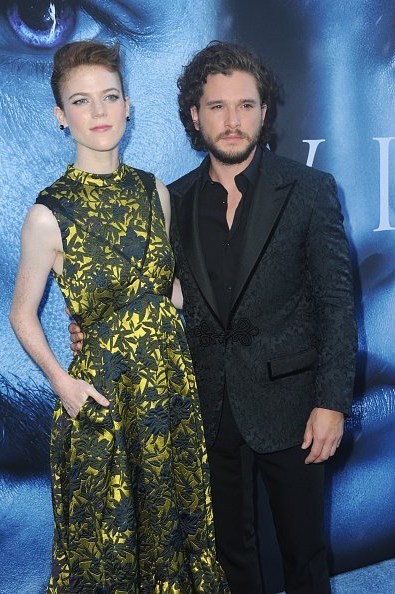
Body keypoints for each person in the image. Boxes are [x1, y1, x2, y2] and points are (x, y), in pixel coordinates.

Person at [70, 41, 357, 592]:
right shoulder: (170, 202)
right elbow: (152, 298)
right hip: (205, 410)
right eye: (218, 107)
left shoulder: (309, 191)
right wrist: (101, 330)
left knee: (305, 557)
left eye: (245, 106)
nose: (233, 121)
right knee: (227, 562)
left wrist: (331, 402)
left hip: (294, 411)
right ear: (195, 116)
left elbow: (335, 305)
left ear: (265, 112)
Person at [9, 40, 228, 593]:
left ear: (128, 106)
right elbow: (22, 315)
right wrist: (64, 384)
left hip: (169, 396)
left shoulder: (155, 191)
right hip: (105, 404)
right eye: (82, 101)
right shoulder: (47, 213)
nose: (99, 112)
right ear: (62, 117)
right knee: (112, 553)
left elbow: (167, 289)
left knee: (176, 540)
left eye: (110, 97)